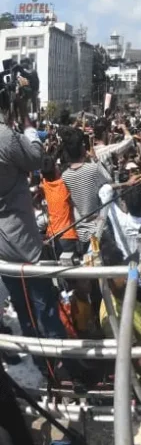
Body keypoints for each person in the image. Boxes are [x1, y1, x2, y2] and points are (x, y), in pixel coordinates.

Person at [0, 110, 66, 351]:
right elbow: (36, 157)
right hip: (23, 243)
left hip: (3, 248)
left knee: (22, 307)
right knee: (43, 304)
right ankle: (59, 360)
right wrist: (29, 129)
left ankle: (41, 362)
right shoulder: (4, 136)